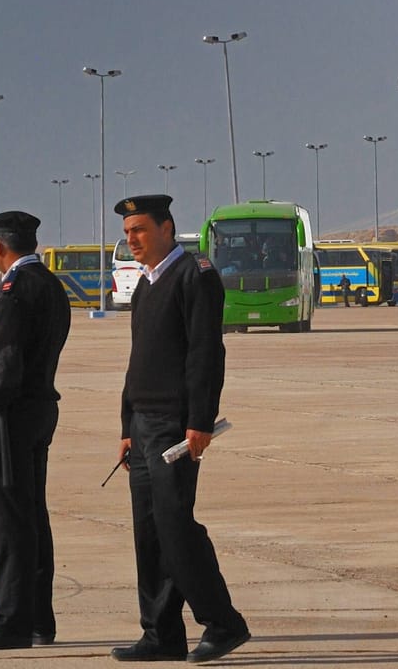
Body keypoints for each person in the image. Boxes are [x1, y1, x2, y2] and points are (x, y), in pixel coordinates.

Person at [110, 195, 250, 663]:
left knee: (175, 526)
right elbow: (138, 362)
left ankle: (223, 622)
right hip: (144, 423)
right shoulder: (146, 285)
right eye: (128, 232)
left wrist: (199, 420)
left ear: (167, 228)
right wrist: (127, 422)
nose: (132, 239)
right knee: (148, 532)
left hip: (176, 424)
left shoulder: (196, 276)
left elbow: (206, 354)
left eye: (140, 230)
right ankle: (160, 634)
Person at [0, 210, 71, 651]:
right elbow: (22, 346)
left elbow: (6, 367)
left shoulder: (14, 286)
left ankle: (13, 621)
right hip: (38, 408)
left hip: (8, 418)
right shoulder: (49, 284)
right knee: (30, 516)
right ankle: (39, 619)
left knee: (5, 519)